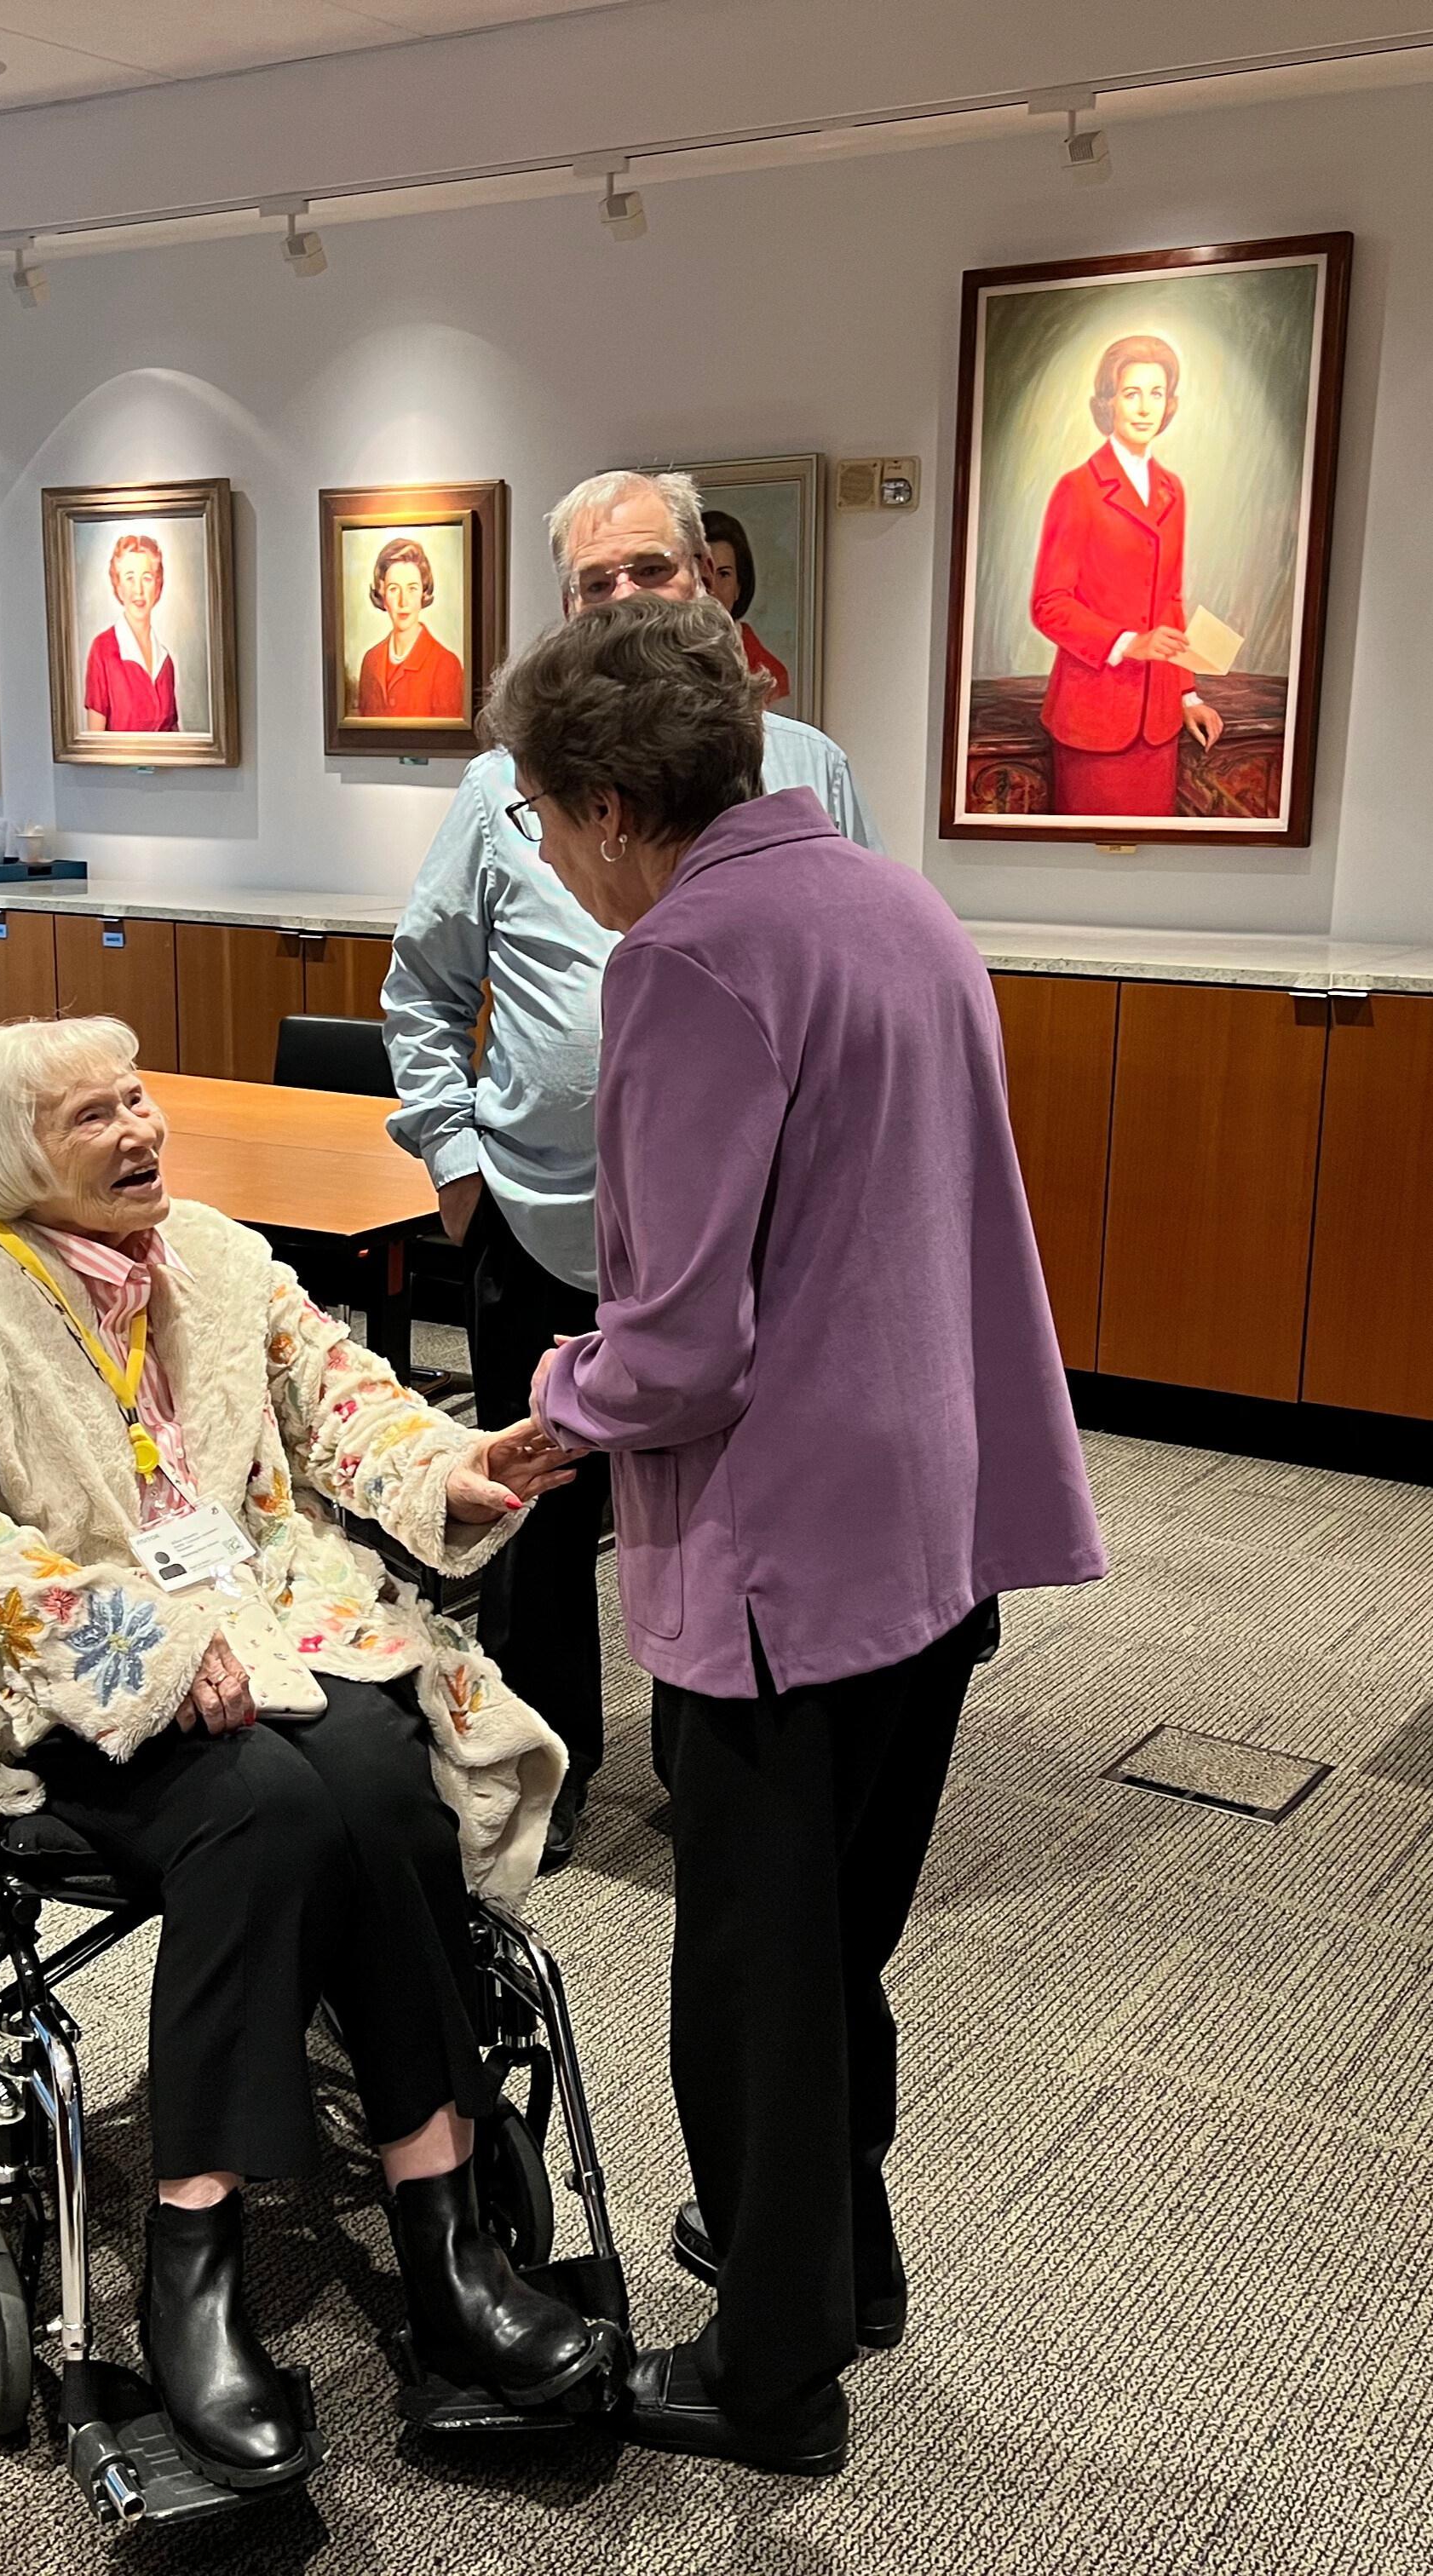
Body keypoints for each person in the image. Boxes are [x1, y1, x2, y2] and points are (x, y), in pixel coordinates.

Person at [481, 595, 1103, 2475]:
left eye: (534, 822)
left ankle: (772, 2377)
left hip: (782, 1560)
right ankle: (849, 2267)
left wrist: (552, 1403)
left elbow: (675, 1350)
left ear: (601, 808)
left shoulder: (685, 960)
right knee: (837, 1945)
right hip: (938, 1522)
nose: (554, 863)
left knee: (751, 1979)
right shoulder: (896, 903)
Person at [0, 1015, 608, 2487]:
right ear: (13, 1152)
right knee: (262, 1813)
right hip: (92, 1686)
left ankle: (440, 2227)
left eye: (139, 1098)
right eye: (94, 1115)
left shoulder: (220, 1254)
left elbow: (341, 1398)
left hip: (278, 1623)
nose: (140, 1128)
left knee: (389, 1788)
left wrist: (452, 1461)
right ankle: (187, 2268)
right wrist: (123, 1635)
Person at [383, 467, 882, 1871]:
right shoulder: (499, 785)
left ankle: (702, 1766)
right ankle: (545, 1762)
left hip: (733, 1250)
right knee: (535, 1511)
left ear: (706, 584)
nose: (620, 603)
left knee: (708, 1511)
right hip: (536, 1224)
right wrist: (453, 1159)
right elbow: (421, 988)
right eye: (589, 585)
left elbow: (856, 980)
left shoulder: (802, 768)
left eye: (646, 572)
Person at [1032, 333, 1223, 816]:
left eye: (1156, 394)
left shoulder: (1172, 490)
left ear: (1170, 403)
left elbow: (1170, 605)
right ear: (1108, 402)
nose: (1144, 408)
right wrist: (1126, 642)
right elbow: (1049, 604)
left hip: (1158, 725)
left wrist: (1188, 694)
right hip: (1093, 718)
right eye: (1130, 393)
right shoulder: (1077, 489)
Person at [356, 537, 465, 720]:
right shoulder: (370, 661)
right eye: (394, 589)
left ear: (424, 592)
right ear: (382, 592)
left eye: (412, 589)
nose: (403, 602)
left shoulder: (446, 665)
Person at [83, 532, 179, 733]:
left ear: (158, 586)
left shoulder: (165, 661)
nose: (139, 590)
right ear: (118, 587)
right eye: (129, 578)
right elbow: (94, 744)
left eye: (146, 578)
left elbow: (173, 737)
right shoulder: (103, 650)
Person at [700, 509, 791, 704]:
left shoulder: (769, 673)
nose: (711, 588)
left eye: (723, 574)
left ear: (739, 587)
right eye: (701, 574)